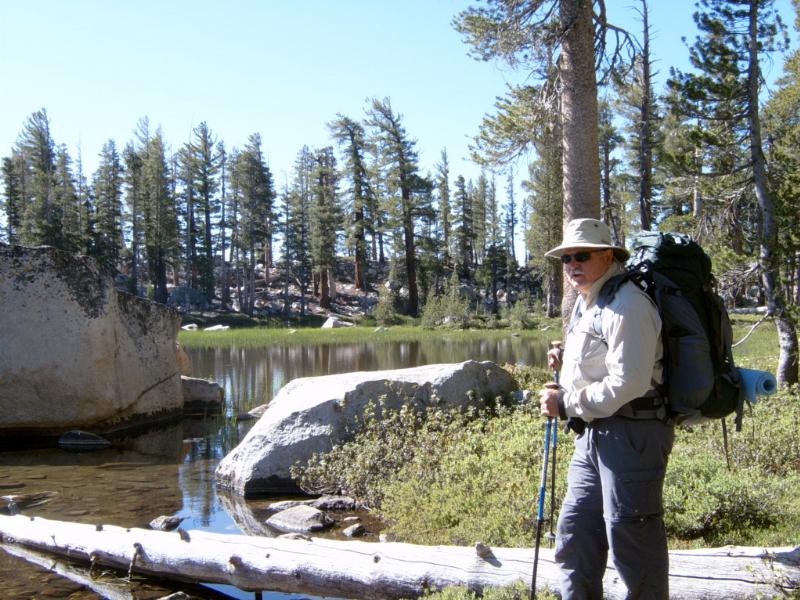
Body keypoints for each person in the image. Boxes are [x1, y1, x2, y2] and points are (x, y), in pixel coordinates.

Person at [538, 218, 674, 600]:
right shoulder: (592, 301)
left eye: (581, 255)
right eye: (566, 258)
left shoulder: (628, 304)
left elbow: (627, 383)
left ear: (609, 256)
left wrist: (566, 402)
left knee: (633, 541)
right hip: (593, 434)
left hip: (633, 435)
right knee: (575, 534)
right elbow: (604, 361)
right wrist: (566, 362)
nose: (572, 265)